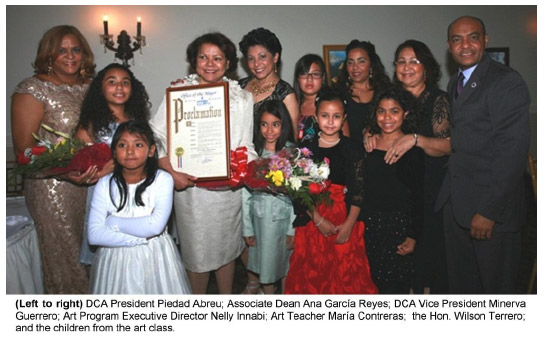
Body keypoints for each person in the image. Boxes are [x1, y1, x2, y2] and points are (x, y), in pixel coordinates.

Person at [149, 32, 256, 294]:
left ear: (228, 62)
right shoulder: (178, 91)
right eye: (203, 57)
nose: (210, 64)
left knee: (227, 251)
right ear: (193, 61)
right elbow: (156, 134)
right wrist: (169, 169)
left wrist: (246, 169)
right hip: (190, 189)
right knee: (196, 256)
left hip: (227, 191)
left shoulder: (242, 98)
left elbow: (246, 145)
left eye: (217, 58)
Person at [435, 16, 530, 293]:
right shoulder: (455, 82)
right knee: (464, 289)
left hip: (490, 212)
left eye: (472, 37)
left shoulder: (506, 81)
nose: (465, 45)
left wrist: (489, 211)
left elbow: (512, 152)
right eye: (457, 39)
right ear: (449, 46)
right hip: (458, 205)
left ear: (485, 40)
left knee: (496, 291)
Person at [11, 25, 96, 294]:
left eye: (76, 50)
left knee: (92, 259)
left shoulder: (91, 87)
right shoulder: (32, 89)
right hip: (53, 190)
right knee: (65, 260)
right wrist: (64, 172)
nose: (70, 56)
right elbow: (24, 152)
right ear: (49, 54)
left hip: (92, 185)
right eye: (62, 50)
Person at [365, 39, 451, 293]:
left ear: (427, 67)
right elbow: (376, 122)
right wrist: (367, 135)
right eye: (401, 61)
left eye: (414, 61)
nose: (406, 66)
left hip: (430, 189)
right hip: (397, 194)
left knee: (427, 264)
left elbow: (449, 145)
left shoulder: (438, 99)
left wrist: (416, 140)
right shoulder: (390, 96)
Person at [284, 88, 377, 294]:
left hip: (344, 220)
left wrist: (349, 225)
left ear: (344, 118)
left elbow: (359, 191)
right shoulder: (305, 150)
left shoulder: (353, 149)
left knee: (346, 276)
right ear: (316, 117)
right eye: (325, 116)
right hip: (313, 220)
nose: (330, 121)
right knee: (314, 276)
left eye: (336, 117)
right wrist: (317, 219)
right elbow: (299, 191)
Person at [88, 121, 191, 294]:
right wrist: (140, 237)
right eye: (122, 145)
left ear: (151, 150)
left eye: (138, 145)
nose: (130, 151)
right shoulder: (105, 184)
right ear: (114, 151)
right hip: (115, 259)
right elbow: (94, 235)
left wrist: (113, 221)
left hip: (155, 258)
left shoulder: (163, 180)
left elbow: (155, 226)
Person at [75, 63, 152, 265]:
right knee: (110, 256)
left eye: (125, 83)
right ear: (100, 88)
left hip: (139, 192)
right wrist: (104, 171)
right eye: (112, 82)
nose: (119, 87)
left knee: (138, 250)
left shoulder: (138, 121)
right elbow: (78, 170)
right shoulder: (90, 125)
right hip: (106, 195)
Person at [362, 86, 424, 294]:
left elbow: (418, 196)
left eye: (394, 111)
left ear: (405, 113)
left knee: (397, 287)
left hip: (399, 227)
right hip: (370, 226)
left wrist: (412, 235)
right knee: (372, 283)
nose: (387, 117)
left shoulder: (411, 149)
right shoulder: (368, 146)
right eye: (381, 111)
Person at [242, 100, 295, 294]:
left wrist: (292, 228)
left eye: (275, 124)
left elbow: (296, 196)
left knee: (284, 266)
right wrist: (247, 227)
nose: (269, 131)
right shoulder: (253, 153)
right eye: (264, 124)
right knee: (265, 268)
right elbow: (245, 193)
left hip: (282, 221)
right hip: (259, 221)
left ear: (284, 125)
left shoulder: (290, 153)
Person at [238, 27, 299, 138]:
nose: (256, 64)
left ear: (275, 57)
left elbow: (292, 139)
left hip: (271, 155)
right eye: (251, 58)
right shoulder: (238, 87)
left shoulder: (285, 94)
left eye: (262, 57)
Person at [336, 40, 390, 144]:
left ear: (371, 64)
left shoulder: (385, 92)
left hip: (381, 152)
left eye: (361, 61)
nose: (355, 67)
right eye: (350, 62)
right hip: (348, 154)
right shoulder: (338, 93)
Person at [293, 54, 349, 143]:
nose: (309, 79)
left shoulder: (334, 105)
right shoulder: (291, 105)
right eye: (304, 74)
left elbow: (346, 143)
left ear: (323, 77)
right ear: (297, 78)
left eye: (315, 74)